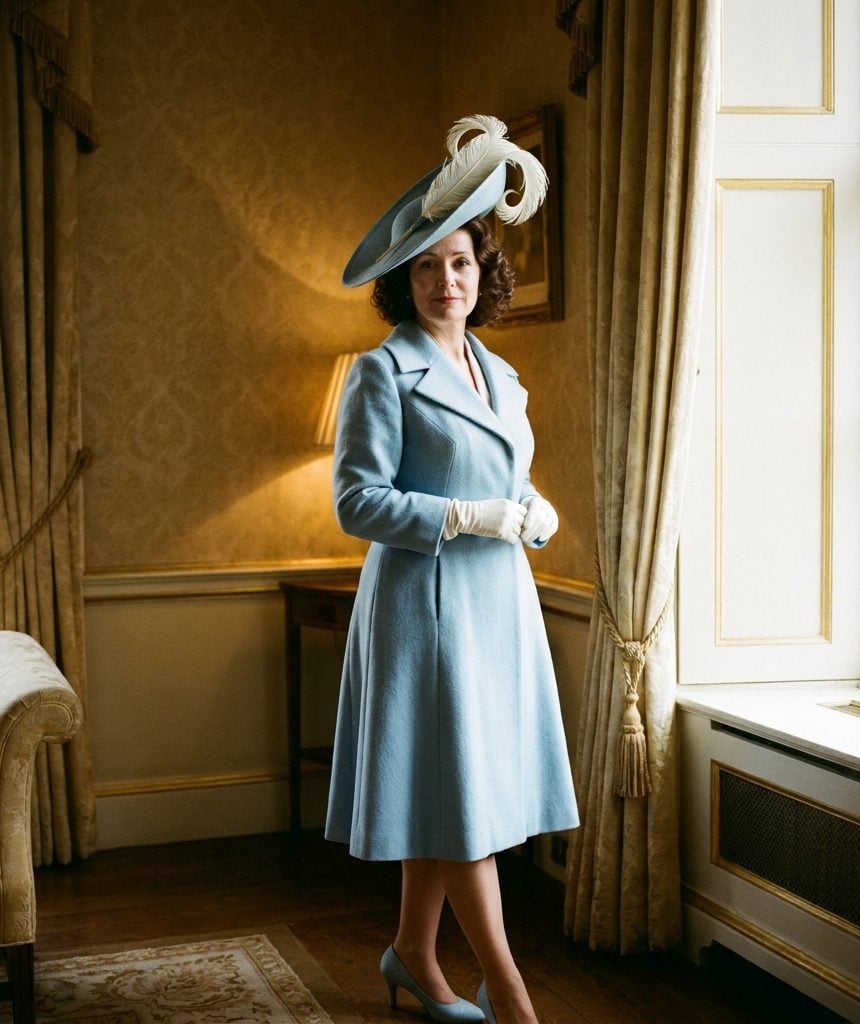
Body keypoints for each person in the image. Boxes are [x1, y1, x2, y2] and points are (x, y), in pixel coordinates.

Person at [325, 115, 579, 1024]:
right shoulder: (380, 374)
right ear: (405, 279)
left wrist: (533, 510)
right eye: (428, 266)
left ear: (485, 273)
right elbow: (357, 501)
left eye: (461, 263)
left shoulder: (502, 377)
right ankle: (511, 997)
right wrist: (465, 518)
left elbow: (502, 476)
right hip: (423, 610)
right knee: (462, 805)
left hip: (497, 608)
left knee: (447, 793)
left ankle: (413, 958)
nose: (446, 281)